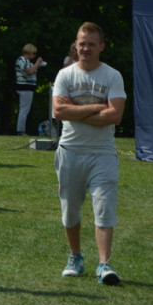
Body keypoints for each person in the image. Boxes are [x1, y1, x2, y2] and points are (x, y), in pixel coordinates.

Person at [52, 22, 126, 285]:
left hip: (103, 153)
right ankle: (75, 257)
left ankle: (104, 265)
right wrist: (97, 109)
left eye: (91, 44)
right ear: (76, 44)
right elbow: (59, 112)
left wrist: (78, 110)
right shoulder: (65, 75)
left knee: (104, 208)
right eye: (81, 43)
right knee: (70, 210)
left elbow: (115, 115)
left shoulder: (112, 76)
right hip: (70, 151)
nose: (85, 48)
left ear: (101, 47)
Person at [14, 43, 45, 135]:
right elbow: (30, 72)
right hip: (25, 88)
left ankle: (21, 130)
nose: (34, 55)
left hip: (26, 88)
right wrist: (38, 63)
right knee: (24, 110)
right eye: (34, 53)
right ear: (29, 52)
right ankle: (21, 131)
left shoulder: (24, 61)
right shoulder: (23, 60)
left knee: (24, 110)